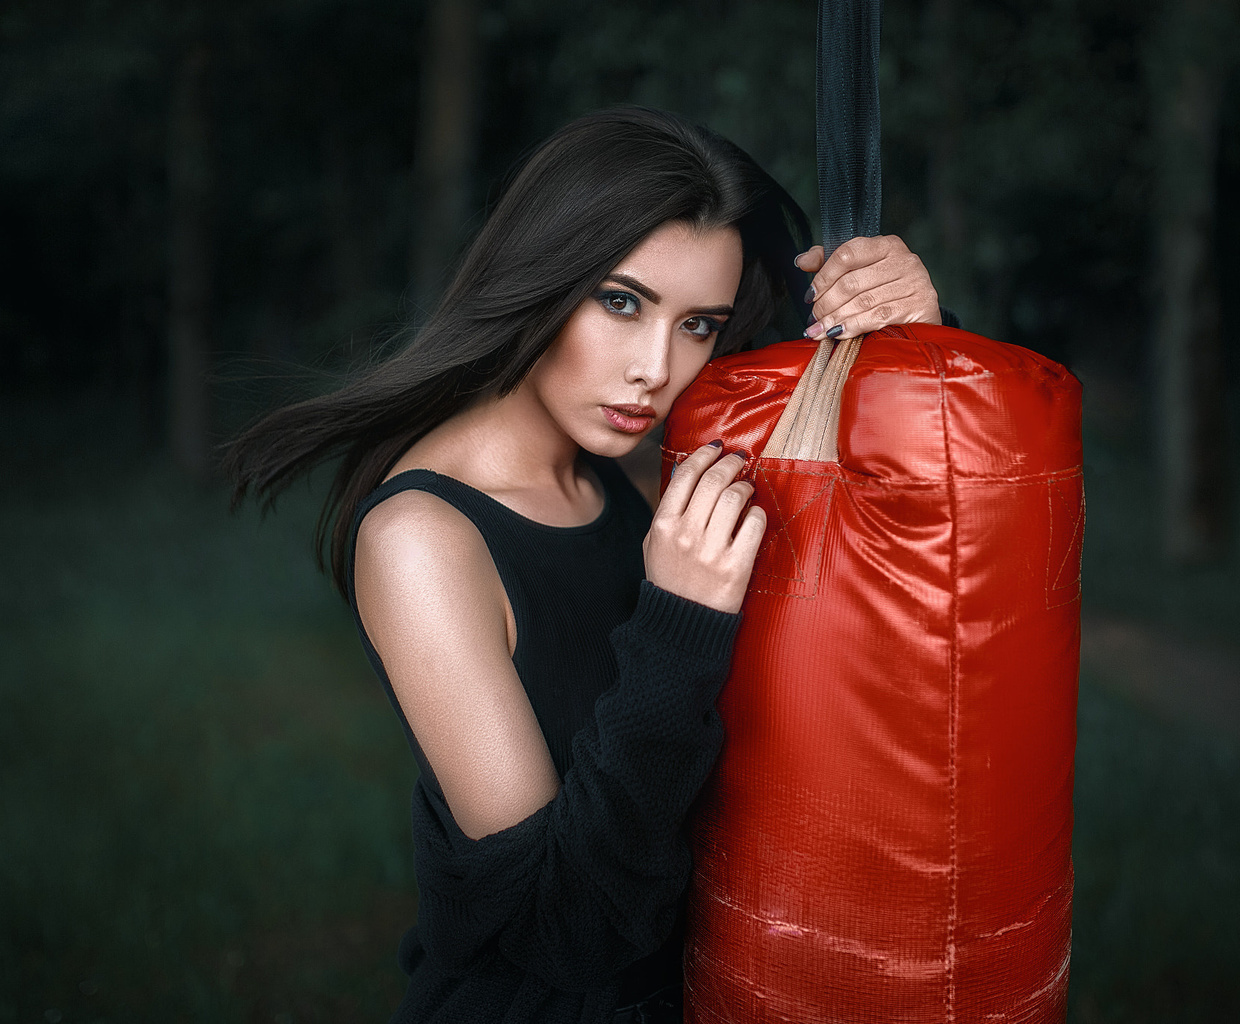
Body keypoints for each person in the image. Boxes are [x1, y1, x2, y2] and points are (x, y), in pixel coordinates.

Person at [225, 106, 942, 1023]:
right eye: (621, 301)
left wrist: (914, 333)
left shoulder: (637, 461)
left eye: (700, 325)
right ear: (541, 278)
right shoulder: (423, 538)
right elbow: (564, 929)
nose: (657, 369)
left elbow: (868, 498)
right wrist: (679, 624)